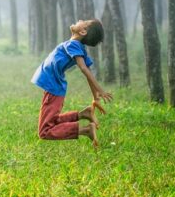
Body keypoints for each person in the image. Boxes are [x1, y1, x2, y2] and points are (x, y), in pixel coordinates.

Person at [31, 19, 113, 148]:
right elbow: (88, 70)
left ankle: (85, 130)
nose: (79, 20)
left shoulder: (74, 44)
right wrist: (95, 98)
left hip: (53, 88)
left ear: (82, 31)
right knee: (52, 121)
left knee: (45, 131)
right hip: (54, 87)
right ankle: (83, 114)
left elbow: (84, 69)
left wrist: (100, 90)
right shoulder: (77, 47)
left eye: (83, 21)